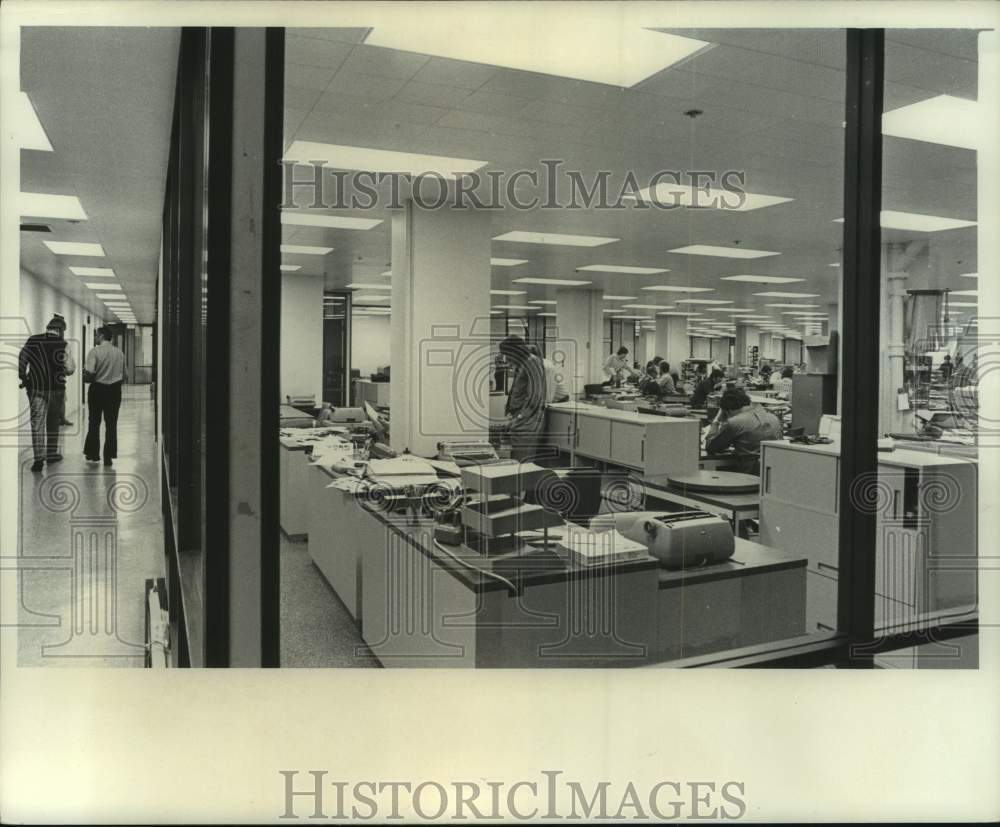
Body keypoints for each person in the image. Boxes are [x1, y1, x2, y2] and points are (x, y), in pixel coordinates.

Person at [18, 314, 76, 471]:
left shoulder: (32, 340)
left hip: (36, 388)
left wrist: (23, 376)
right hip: (56, 389)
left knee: (37, 423)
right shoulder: (63, 344)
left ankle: (38, 460)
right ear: (60, 330)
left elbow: (22, 359)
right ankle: (51, 455)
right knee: (52, 423)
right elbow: (70, 369)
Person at [705, 387, 783, 475]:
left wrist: (716, 421)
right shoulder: (773, 417)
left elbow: (710, 447)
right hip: (776, 469)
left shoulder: (734, 422)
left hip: (751, 472)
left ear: (728, 410)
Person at [83, 325, 125, 468]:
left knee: (94, 422)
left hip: (97, 390)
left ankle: (94, 454)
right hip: (114, 391)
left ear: (101, 336)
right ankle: (109, 457)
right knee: (111, 424)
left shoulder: (94, 352)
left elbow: (89, 373)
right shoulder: (120, 353)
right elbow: (125, 375)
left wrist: (86, 377)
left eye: (96, 335)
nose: (95, 338)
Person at [501, 336, 546, 459]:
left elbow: (535, 396)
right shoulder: (523, 363)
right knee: (517, 461)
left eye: (508, 354)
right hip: (520, 419)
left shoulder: (532, 362)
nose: (507, 359)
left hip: (528, 421)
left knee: (524, 462)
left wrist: (520, 418)